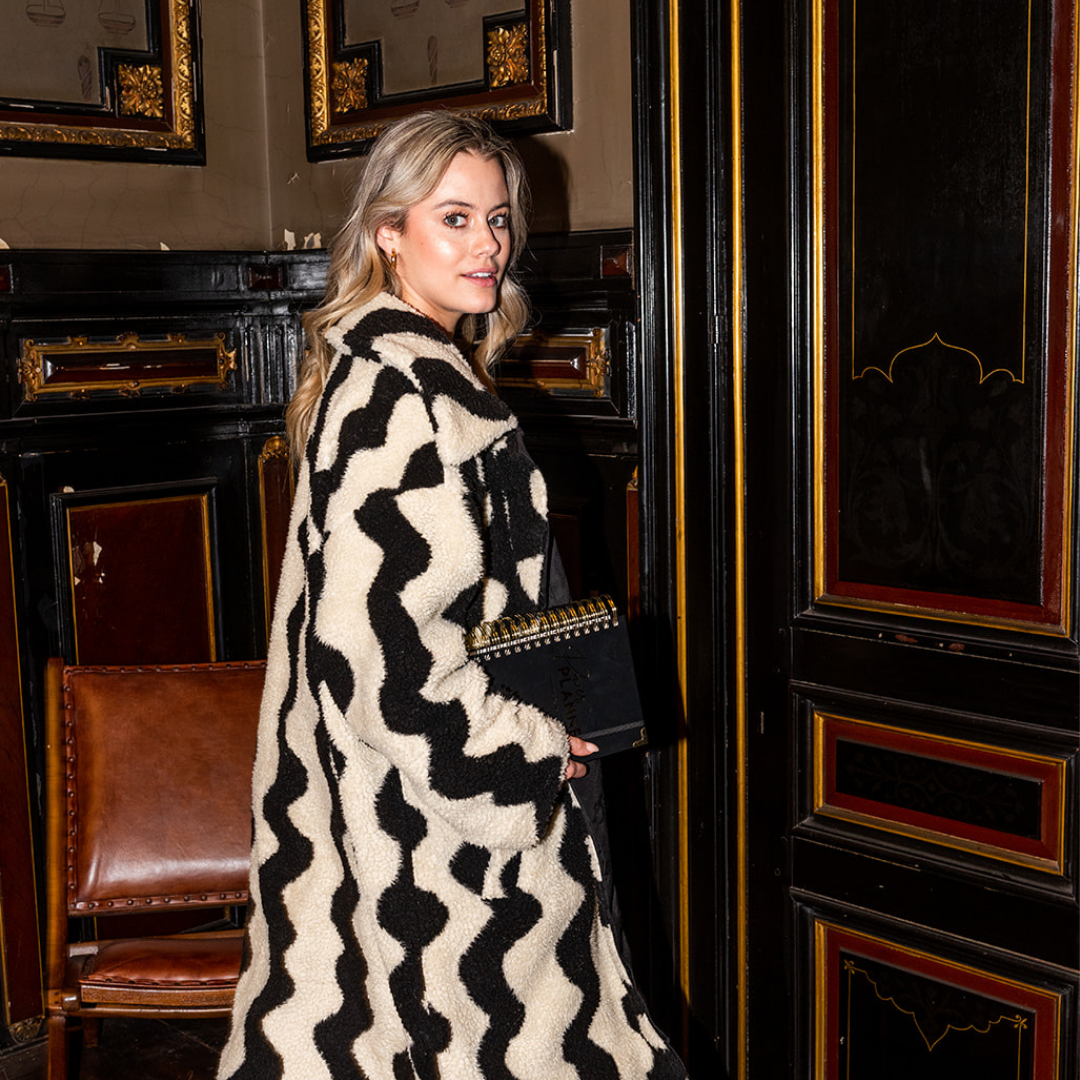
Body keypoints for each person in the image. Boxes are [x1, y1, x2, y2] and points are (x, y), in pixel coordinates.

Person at [217, 109, 687, 1080]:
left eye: (498, 220)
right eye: (456, 218)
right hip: (441, 848)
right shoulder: (404, 398)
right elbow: (378, 657)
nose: (488, 246)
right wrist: (524, 750)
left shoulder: (400, 376)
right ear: (389, 233)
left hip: (416, 824)